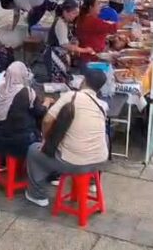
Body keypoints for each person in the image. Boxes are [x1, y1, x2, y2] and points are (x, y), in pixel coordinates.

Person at [24, 69, 109, 207]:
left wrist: (44, 140)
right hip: (99, 162)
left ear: (83, 81)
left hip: (74, 164)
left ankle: (37, 195)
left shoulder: (72, 96)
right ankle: (92, 182)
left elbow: (47, 120)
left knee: (34, 150)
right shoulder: (101, 105)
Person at [0, 62, 52, 158]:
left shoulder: (1, 89)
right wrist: (47, 102)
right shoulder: (27, 92)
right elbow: (40, 111)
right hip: (21, 141)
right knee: (42, 120)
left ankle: (4, 162)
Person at [44, 0, 95, 83]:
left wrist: (74, 42)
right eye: (74, 13)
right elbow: (65, 44)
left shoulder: (65, 21)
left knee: (63, 81)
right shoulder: (60, 23)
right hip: (53, 56)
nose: (75, 16)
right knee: (58, 82)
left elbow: (68, 38)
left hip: (59, 55)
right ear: (65, 12)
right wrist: (85, 50)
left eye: (77, 14)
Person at [75, 0, 119, 66]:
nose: (100, 6)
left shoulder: (84, 18)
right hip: (92, 58)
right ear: (90, 7)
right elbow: (113, 27)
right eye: (98, 4)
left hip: (89, 56)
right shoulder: (90, 21)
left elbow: (93, 33)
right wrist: (129, 19)